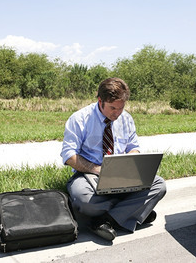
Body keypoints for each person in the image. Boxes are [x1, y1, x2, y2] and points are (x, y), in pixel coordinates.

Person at [61, 77, 166, 241]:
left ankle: (104, 221)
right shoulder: (79, 118)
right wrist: (97, 169)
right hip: (89, 174)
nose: (117, 113)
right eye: (112, 108)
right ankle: (132, 211)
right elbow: (69, 156)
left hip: (121, 175)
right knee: (83, 200)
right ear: (100, 100)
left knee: (159, 185)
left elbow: (133, 147)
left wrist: (130, 165)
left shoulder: (126, 119)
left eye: (121, 108)